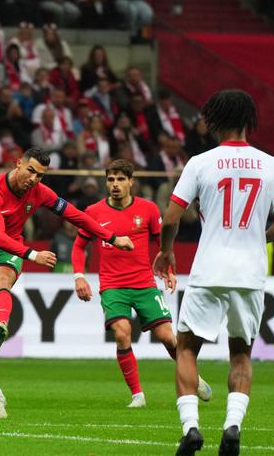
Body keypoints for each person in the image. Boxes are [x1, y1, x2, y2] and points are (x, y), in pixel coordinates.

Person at [153, 90, 274, 455]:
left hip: (208, 269)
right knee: (241, 354)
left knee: (186, 349)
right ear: (249, 122)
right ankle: (232, 425)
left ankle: (192, 428)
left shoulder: (201, 163)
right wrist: (256, 239)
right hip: (249, 274)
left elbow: (170, 217)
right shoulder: (273, 165)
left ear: (215, 122)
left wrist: (166, 252)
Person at [0, 147, 135, 419]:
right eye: (30, 171)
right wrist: (34, 255)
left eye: (39, 175)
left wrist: (111, 237)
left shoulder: (40, 193)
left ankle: (2, 324)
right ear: (18, 163)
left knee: (3, 277)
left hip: (11, 249)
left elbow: (76, 215)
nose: (33, 179)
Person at [72, 159, 211, 408]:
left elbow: (163, 244)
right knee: (122, 334)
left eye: (120, 179)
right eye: (111, 179)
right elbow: (79, 245)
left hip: (145, 285)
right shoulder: (93, 212)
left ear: (131, 182)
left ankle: (194, 378)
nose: (115, 184)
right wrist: (79, 276)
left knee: (169, 338)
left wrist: (168, 270)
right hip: (113, 287)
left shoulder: (147, 209)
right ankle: (137, 395)